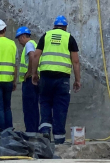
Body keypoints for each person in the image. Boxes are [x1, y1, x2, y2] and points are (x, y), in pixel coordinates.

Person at [31, 15, 80, 144]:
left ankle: (46, 130)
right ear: (65, 27)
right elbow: (75, 62)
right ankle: (59, 138)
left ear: (54, 26)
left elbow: (36, 55)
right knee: (60, 106)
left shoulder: (46, 36)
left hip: (46, 76)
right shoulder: (69, 38)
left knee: (45, 102)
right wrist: (77, 80)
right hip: (62, 79)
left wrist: (34, 73)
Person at [16, 26, 40, 137]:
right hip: (35, 80)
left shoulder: (29, 44)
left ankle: (30, 133)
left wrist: (29, 72)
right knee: (34, 107)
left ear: (23, 36)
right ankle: (34, 132)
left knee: (29, 107)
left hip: (30, 81)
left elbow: (32, 56)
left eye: (19, 38)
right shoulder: (35, 44)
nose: (19, 41)